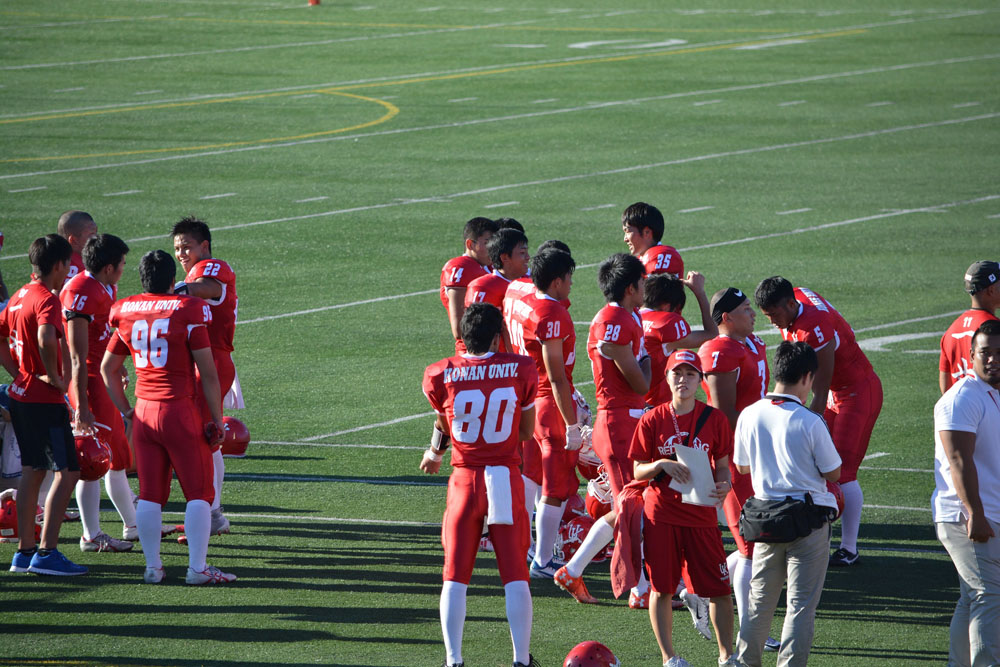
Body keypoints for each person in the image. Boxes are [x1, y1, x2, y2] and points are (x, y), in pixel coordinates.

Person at [101, 250, 233, 585]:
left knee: (149, 494)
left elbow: (108, 369)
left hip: (144, 411)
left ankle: (153, 568)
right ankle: (197, 569)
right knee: (199, 493)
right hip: (178, 411)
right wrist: (217, 419)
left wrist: (126, 410)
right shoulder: (188, 310)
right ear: (173, 281)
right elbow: (209, 374)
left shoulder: (126, 310)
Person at [420, 302, 540, 667]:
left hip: (465, 480)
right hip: (504, 477)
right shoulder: (521, 368)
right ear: (497, 335)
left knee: (455, 576)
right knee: (515, 574)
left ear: (463, 336)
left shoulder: (441, 373)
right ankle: (520, 659)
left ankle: (453, 660)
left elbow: (445, 422)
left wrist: (435, 452)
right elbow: (525, 432)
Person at [754, 276, 882, 567]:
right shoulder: (797, 299)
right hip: (841, 390)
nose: (772, 322)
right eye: (767, 315)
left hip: (856, 392)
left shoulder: (813, 329)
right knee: (821, 469)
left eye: (774, 314)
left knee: (842, 471)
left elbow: (819, 394)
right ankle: (821, 535)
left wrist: (801, 429)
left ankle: (849, 548)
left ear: (790, 304)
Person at [733, 341, 842, 667]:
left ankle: (745, 662)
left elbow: (741, 466)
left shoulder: (750, 414)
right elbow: (834, 471)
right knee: (800, 606)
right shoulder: (810, 420)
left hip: (765, 520)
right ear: (807, 377)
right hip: (807, 521)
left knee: (758, 602)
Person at [555, 253, 651, 607]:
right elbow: (641, 383)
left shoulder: (624, 316)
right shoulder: (616, 320)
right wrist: (649, 359)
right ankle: (640, 589)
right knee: (633, 506)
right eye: (642, 282)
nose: (646, 287)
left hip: (624, 421)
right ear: (630, 288)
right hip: (619, 422)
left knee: (632, 505)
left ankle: (574, 569)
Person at [630, 350, 736, 667]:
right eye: (677, 373)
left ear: (700, 380)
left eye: (691, 374)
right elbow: (637, 470)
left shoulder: (715, 419)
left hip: (701, 514)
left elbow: (723, 465)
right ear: (667, 378)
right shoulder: (652, 419)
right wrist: (661, 464)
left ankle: (726, 655)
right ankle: (669, 658)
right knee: (662, 589)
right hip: (661, 514)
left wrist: (725, 483)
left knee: (719, 589)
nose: (683, 380)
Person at [697, 287, 778, 651]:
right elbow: (723, 414)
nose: (753, 313)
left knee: (759, 542)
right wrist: (749, 446)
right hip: (735, 456)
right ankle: (751, 630)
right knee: (750, 545)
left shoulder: (751, 343)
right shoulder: (720, 351)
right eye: (746, 309)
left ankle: (697, 591)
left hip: (755, 450)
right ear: (727, 317)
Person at [2, 234, 87, 576]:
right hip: (43, 401)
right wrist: (53, 376)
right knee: (68, 473)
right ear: (59, 265)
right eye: (68, 265)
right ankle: (47, 552)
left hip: (21, 396)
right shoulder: (47, 299)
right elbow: (46, 336)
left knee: (32, 471)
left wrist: (18, 373)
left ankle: (24, 553)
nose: (68, 271)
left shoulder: (19, 294)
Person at [504, 248, 583, 578]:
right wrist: (572, 423)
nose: (571, 284)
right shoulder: (551, 314)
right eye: (569, 278)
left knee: (531, 473)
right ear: (556, 281)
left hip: (527, 395)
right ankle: (543, 560)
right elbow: (556, 376)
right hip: (548, 401)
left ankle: (524, 545)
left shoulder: (517, 290)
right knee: (556, 481)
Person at [61, 234, 141, 553]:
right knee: (92, 459)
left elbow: (104, 336)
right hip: (89, 382)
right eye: (121, 264)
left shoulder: (104, 286)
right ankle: (91, 535)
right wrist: (81, 405)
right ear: (108, 267)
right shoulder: (81, 292)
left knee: (117, 455)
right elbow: (77, 356)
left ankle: (133, 524)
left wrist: (116, 367)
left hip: (101, 378)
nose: (123, 269)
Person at [932, 320, 1000, 666]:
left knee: (972, 598)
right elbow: (959, 459)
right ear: (971, 355)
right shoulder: (961, 398)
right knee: (989, 596)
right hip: (967, 516)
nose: (993, 359)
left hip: (986, 512)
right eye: (985, 352)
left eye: (999, 353)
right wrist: (975, 513)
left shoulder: (991, 394)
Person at [172, 216, 238, 539]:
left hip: (211, 361)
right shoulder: (192, 273)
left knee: (202, 439)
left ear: (205, 246)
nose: (181, 254)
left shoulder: (211, 268)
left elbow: (208, 287)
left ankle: (209, 513)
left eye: (187, 246)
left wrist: (175, 290)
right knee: (206, 439)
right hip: (202, 361)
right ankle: (211, 513)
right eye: (177, 248)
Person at [641, 273, 717, 407]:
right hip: (655, 407)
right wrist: (699, 292)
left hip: (630, 403)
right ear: (666, 306)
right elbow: (712, 334)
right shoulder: (665, 324)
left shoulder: (628, 316)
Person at [465, 228, 530, 352]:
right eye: (522, 253)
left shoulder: (530, 283)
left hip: (524, 358)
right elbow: (475, 332)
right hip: (493, 360)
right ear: (505, 257)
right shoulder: (483, 287)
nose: (528, 257)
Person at [441, 217, 498, 355]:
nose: (493, 248)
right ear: (470, 244)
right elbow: (459, 329)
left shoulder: (489, 266)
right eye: (487, 243)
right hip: (473, 353)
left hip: (494, 349)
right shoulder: (460, 268)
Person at [940, 260, 999, 393]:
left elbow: (946, 388)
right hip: (991, 404)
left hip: (964, 404)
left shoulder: (951, 331)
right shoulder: (995, 331)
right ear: (991, 290)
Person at [622, 202, 684, 278]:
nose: (625, 239)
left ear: (647, 232)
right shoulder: (640, 260)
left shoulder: (661, 257)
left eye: (628, 231)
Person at [57, 210, 97, 285]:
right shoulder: (88, 269)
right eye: (91, 234)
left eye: (96, 233)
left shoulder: (52, 265)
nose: (97, 238)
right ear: (74, 240)